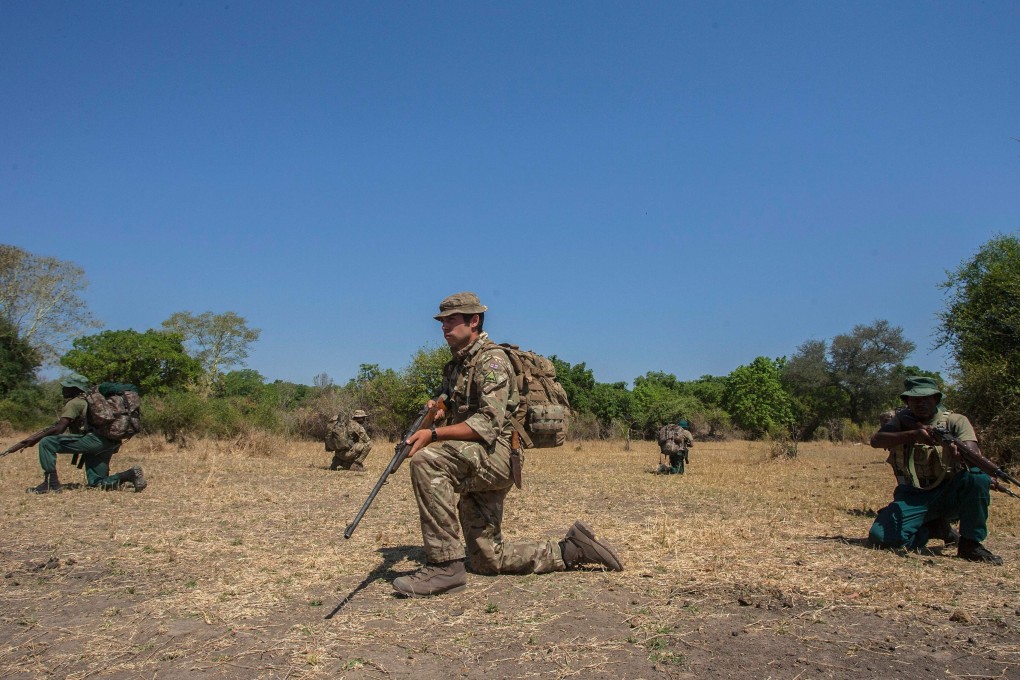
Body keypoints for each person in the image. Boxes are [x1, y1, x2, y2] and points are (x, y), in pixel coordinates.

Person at [392, 292, 623, 597]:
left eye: (452, 320)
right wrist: (439, 411)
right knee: (488, 559)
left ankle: (444, 568)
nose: (444, 327)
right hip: (475, 457)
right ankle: (571, 550)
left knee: (427, 460)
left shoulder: (492, 361)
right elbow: (451, 402)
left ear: (474, 321)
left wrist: (433, 435)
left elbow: (487, 424)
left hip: (497, 455)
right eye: (442, 321)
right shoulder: (455, 367)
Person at [867, 376, 999, 564]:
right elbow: (876, 441)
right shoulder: (900, 422)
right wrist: (913, 435)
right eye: (915, 399)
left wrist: (958, 452)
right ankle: (934, 529)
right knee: (880, 538)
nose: (921, 403)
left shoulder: (956, 421)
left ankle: (970, 544)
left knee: (977, 477)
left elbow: (974, 454)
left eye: (926, 398)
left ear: (936, 399)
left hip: (949, 493)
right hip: (912, 495)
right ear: (907, 402)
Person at [21, 375, 146, 494]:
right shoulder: (98, 399)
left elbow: (60, 428)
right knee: (97, 483)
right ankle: (129, 475)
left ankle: (50, 483)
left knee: (47, 443)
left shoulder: (75, 403)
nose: (63, 389)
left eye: (67, 387)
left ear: (75, 388)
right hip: (110, 442)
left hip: (94, 442)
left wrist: (34, 439)